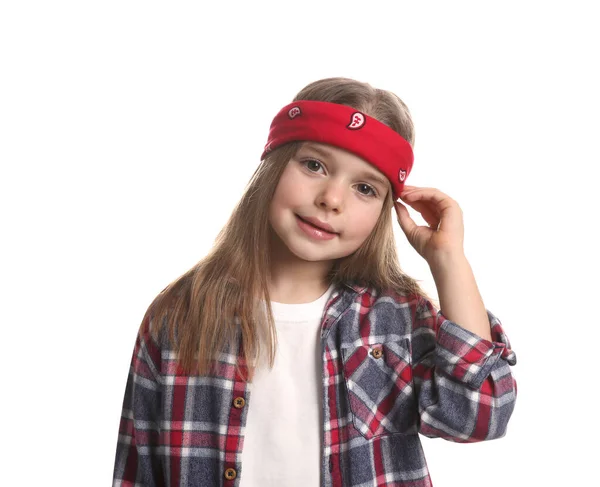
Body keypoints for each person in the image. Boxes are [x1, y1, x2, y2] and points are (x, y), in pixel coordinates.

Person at [112, 77, 518, 487]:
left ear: (383, 212)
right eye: (314, 165)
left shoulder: (396, 318)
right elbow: (137, 469)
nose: (331, 198)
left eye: (364, 188)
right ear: (273, 164)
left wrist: (449, 261)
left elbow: (477, 415)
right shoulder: (180, 316)